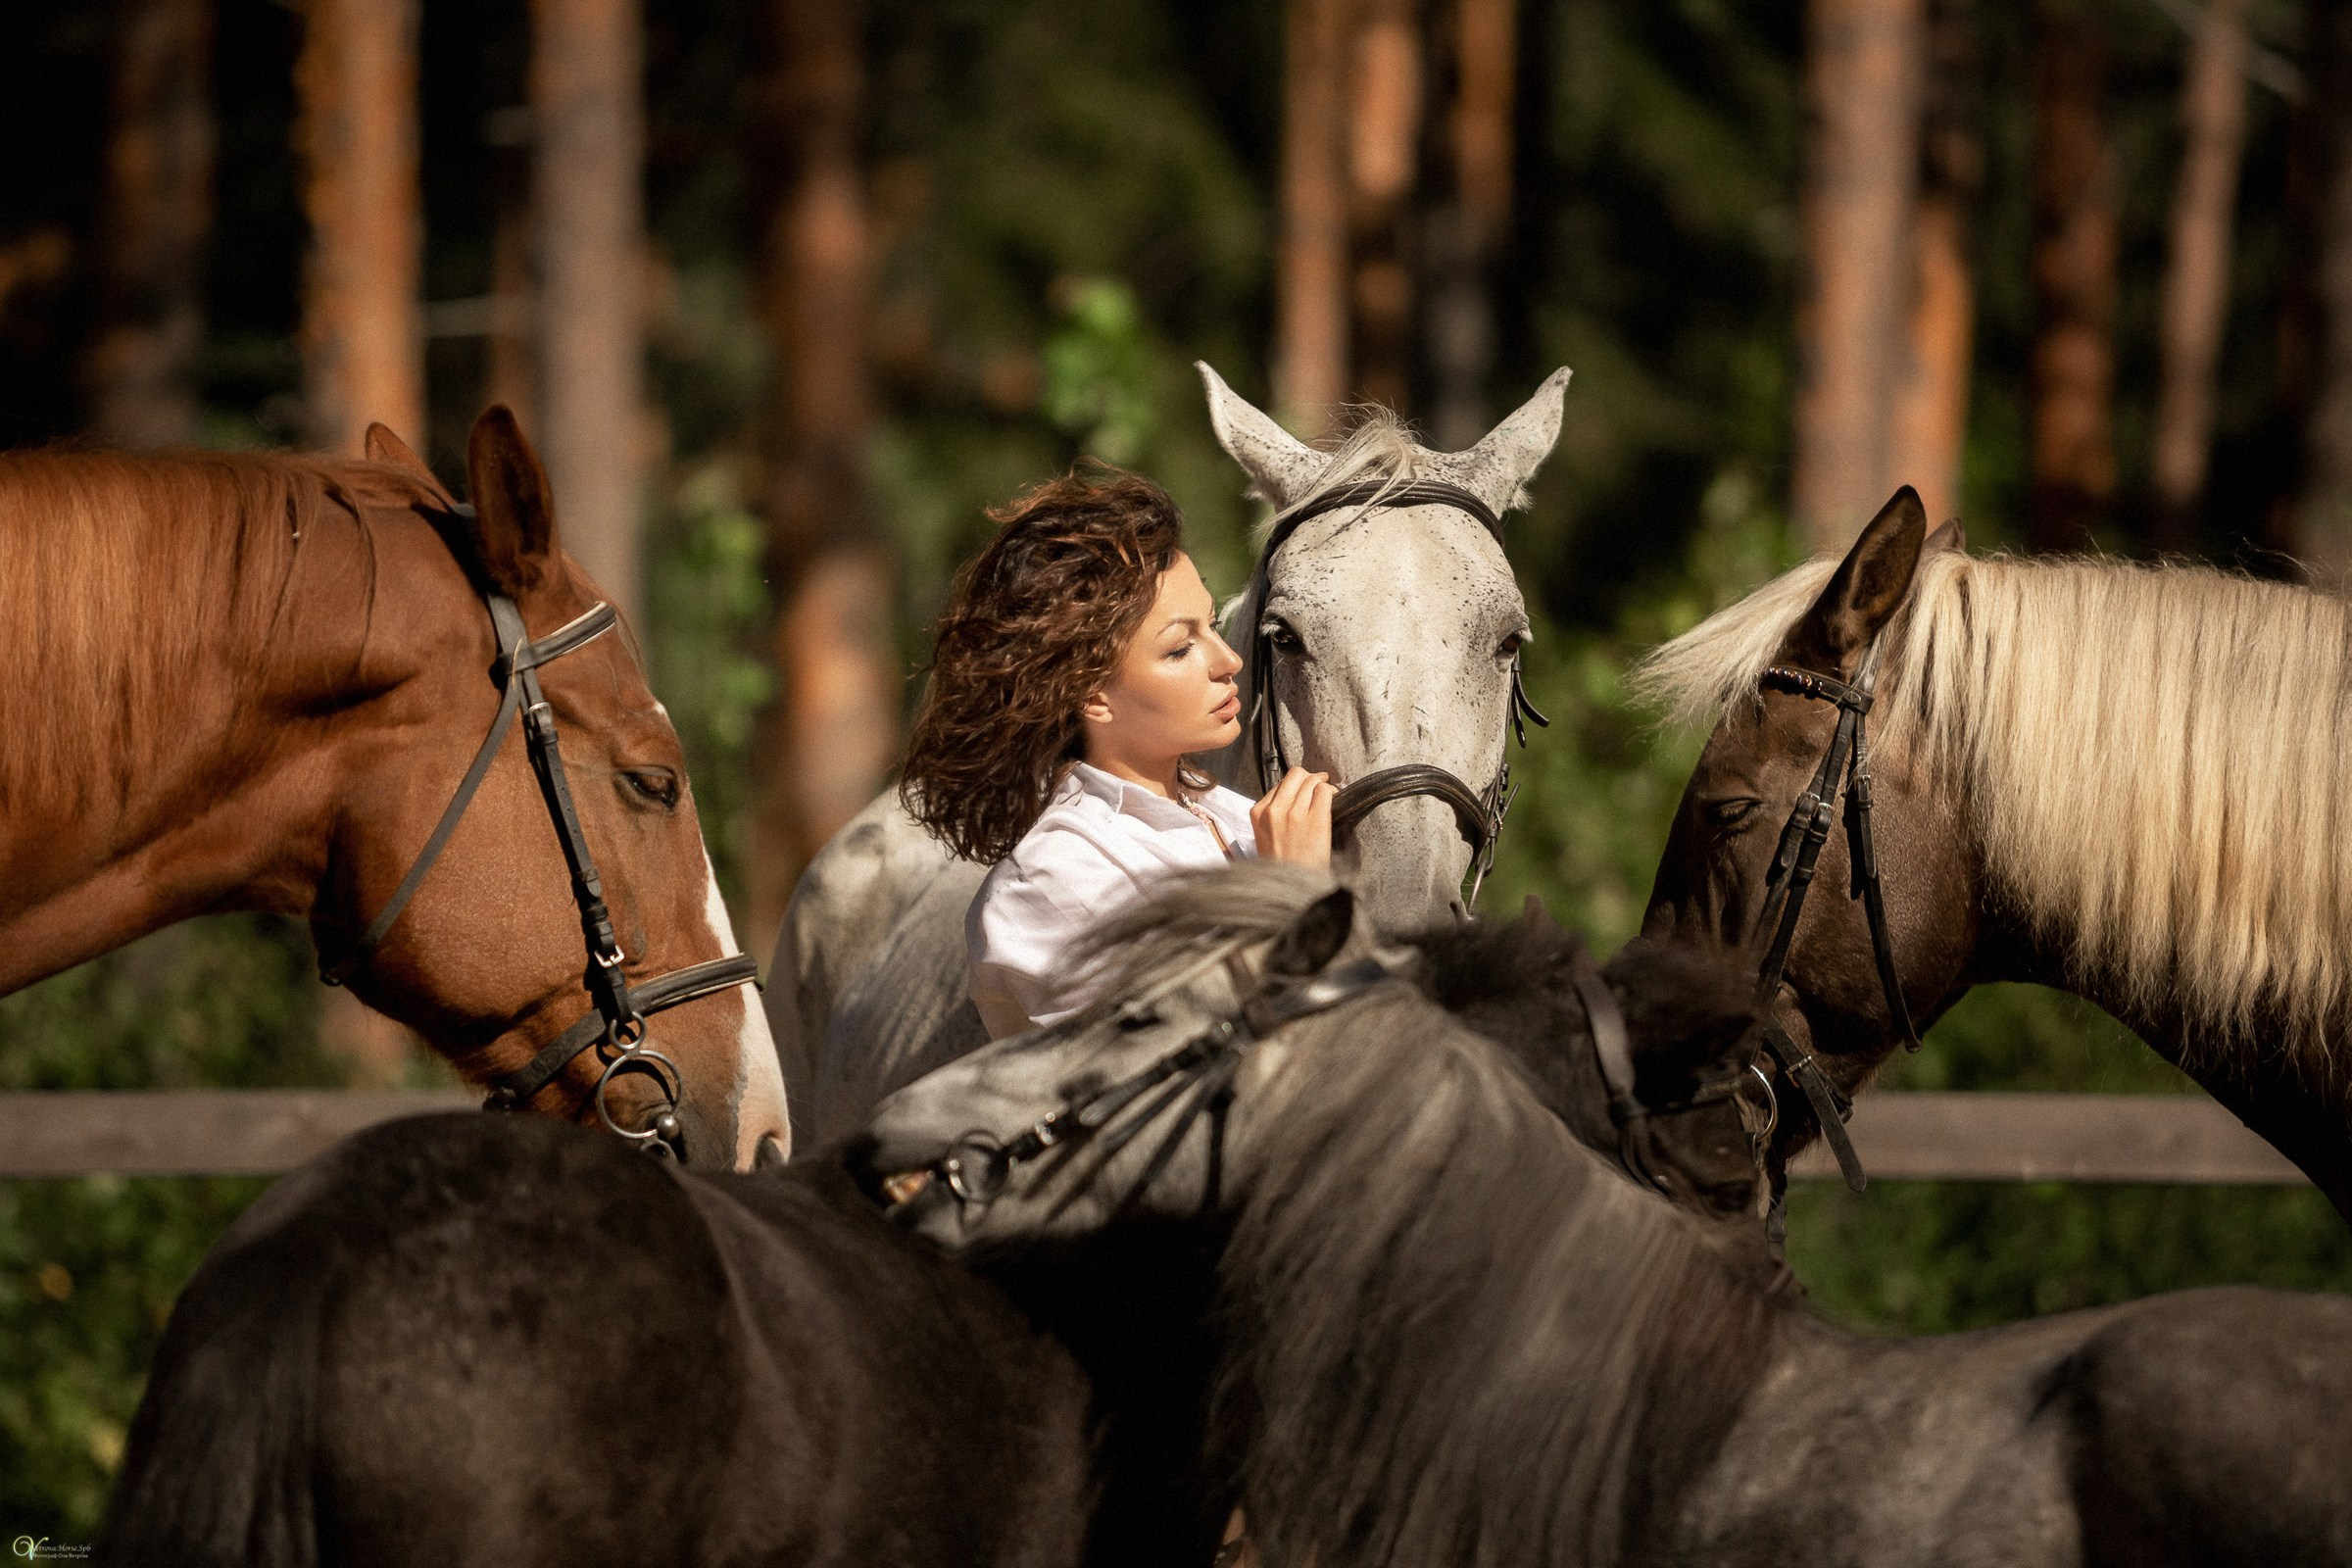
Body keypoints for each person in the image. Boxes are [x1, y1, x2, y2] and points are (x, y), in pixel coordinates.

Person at [901, 465, 1336, 1038]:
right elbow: (1172, 1090)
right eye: (1180, 649)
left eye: (1211, 625)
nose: (1228, 661)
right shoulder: (1053, 882)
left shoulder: (1234, 815)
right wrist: (1292, 895)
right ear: (1093, 696)